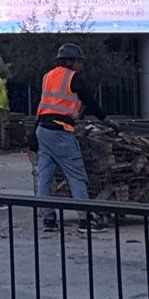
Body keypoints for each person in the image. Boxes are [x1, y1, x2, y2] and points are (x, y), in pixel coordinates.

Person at [35, 43, 108, 231]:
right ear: (70, 61)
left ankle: (48, 220)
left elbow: (45, 103)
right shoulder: (73, 77)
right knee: (76, 175)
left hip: (42, 130)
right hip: (59, 131)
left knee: (44, 177)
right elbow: (89, 100)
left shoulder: (48, 76)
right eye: (78, 61)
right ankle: (86, 219)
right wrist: (105, 119)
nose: (81, 65)